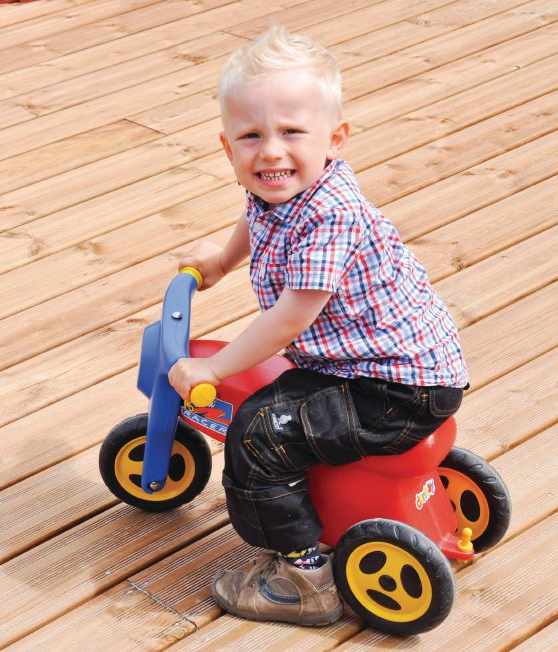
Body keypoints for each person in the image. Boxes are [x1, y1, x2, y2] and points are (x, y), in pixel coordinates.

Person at [167, 25, 469, 627]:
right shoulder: (283, 191)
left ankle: (304, 578)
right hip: (386, 370)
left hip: (391, 390)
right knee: (281, 403)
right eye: (251, 136)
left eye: (291, 132)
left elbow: (288, 320)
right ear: (228, 149)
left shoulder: (329, 214)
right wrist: (222, 263)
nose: (270, 152)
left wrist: (214, 366)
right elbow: (256, 220)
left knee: (257, 434)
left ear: (335, 139)